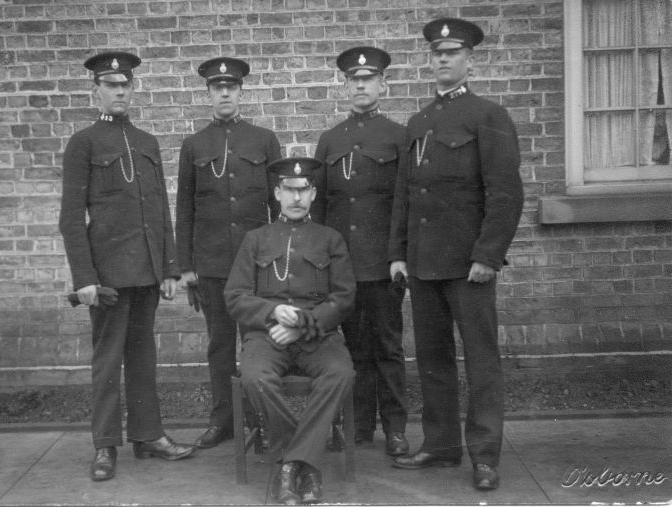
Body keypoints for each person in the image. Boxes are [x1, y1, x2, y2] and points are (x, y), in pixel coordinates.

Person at [388, 18, 524, 491]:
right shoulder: (418, 122)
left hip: (469, 266)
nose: (443, 59)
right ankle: (441, 445)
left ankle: (484, 455)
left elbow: (505, 193)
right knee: (432, 357)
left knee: (481, 359)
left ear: (470, 59)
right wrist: (399, 255)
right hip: (423, 264)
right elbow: (405, 196)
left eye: (452, 52)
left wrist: (488, 254)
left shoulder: (488, 116)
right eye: (436, 53)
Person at [59, 51, 196, 482]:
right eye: (111, 85)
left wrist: (170, 268)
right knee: (107, 361)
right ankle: (104, 446)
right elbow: (70, 217)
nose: (120, 92)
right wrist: (85, 278)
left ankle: (148, 435)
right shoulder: (83, 143)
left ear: (132, 89)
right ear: (95, 91)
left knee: (143, 359)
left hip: (147, 274)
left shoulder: (147, 142)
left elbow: (160, 211)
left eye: (126, 85)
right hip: (108, 278)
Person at [224, 157, 356, 505]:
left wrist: (301, 327)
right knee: (256, 378)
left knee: (341, 373)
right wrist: (271, 312)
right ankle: (306, 463)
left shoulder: (330, 239)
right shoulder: (256, 240)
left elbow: (343, 299)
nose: (296, 198)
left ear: (312, 194)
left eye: (303, 191)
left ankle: (292, 464)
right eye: (289, 191)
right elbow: (235, 297)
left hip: (318, 337)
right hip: (266, 337)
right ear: (277, 193)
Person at [176, 57, 282, 449]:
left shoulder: (263, 140)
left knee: (260, 343)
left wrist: (278, 259)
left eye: (231, 87)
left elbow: (278, 206)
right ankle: (224, 422)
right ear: (208, 93)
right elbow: (184, 210)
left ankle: (263, 422)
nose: (224, 93)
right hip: (213, 265)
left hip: (257, 266)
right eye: (217, 88)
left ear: (241, 92)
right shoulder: (194, 145)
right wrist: (186, 267)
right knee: (220, 345)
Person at [312, 46, 410, 457]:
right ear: (346, 85)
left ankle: (396, 429)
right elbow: (319, 208)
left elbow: (405, 202)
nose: (360, 85)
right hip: (342, 266)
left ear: (383, 84)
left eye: (368, 79)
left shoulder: (398, 136)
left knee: (387, 347)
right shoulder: (330, 139)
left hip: (383, 264)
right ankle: (359, 426)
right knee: (351, 348)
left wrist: (398, 256)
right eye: (354, 79)